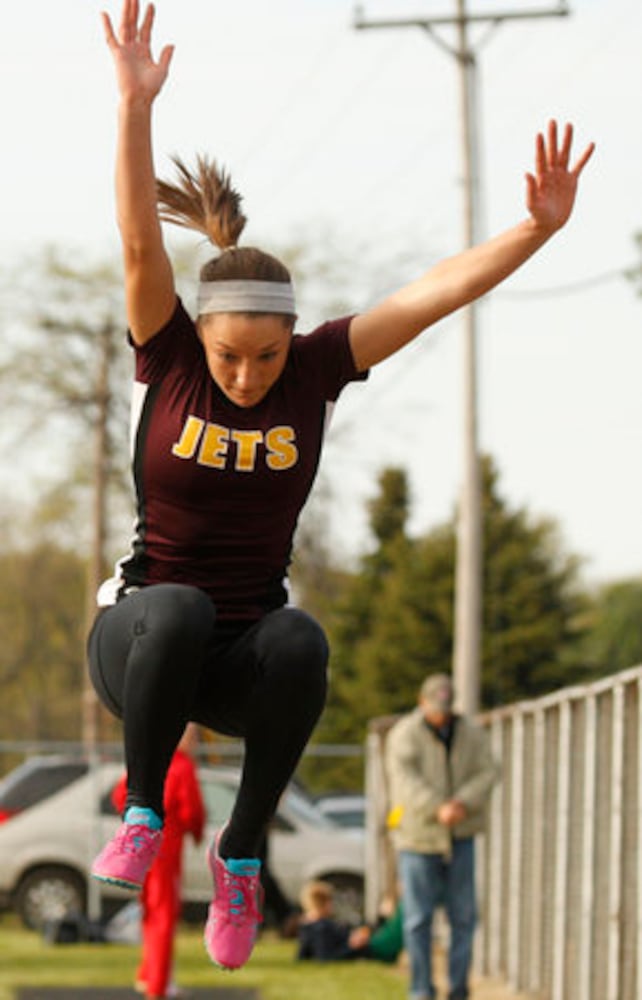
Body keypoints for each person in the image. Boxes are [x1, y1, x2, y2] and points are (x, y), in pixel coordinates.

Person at [88, 0, 593, 976]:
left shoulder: (318, 368)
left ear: (292, 341)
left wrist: (534, 230)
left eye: (266, 358)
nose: (247, 376)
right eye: (232, 357)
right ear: (203, 338)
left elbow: (432, 291)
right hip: (143, 640)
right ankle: (141, 812)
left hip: (241, 657)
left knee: (301, 633)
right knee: (183, 603)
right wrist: (132, 106)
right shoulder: (172, 354)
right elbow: (141, 245)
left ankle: (241, 856)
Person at [385, 674, 499, 1000]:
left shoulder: (472, 733)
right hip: (418, 838)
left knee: (463, 916)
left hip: (461, 834)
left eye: (446, 708)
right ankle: (421, 989)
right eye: (436, 708)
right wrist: (438, 808)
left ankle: (459, 988)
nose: (441, 714)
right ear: (422, 703)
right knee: (419, 918)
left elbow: (488, 770)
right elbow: (405, 782)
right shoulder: (404, 734)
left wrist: (462, 802)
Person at [112, 723, 206, 1000]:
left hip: (142, 846)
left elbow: (120, 795)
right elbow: (192, 809)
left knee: (151, 912)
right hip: (167, 847)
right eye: (193, 736)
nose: (195, 742)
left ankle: (148, 974)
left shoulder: (148, 758)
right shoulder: (182, 765)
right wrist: (195, 831)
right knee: (164, 914)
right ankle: (159, 985)